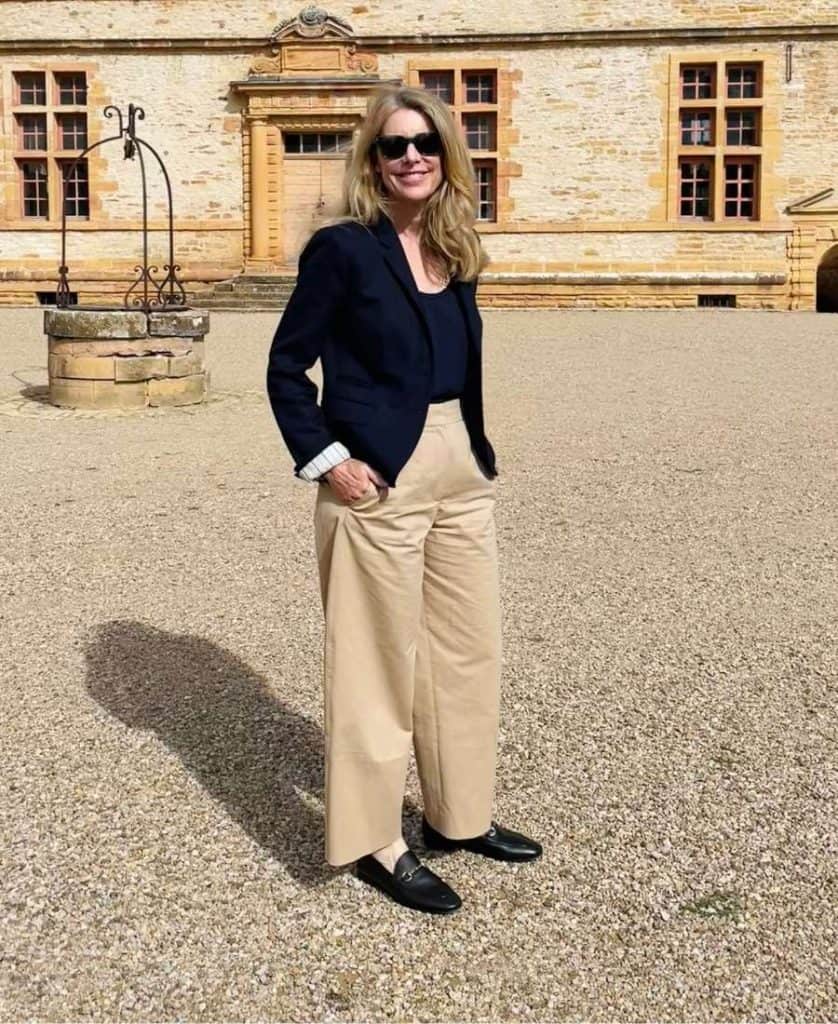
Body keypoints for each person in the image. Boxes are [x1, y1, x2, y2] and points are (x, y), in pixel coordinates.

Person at [266, 85, 542, 914]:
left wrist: (477, 456)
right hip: (378, 474)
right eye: (393, 146)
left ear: (446, 153)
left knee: (467, 652)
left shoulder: (456, 244)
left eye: (424, 142)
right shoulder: (345, 250)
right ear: (372, 161)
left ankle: (459, 816)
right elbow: (286, 369)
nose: (411, 156)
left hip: (461, 462)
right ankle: (375, 840)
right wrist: (326, 459)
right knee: (375, 664)